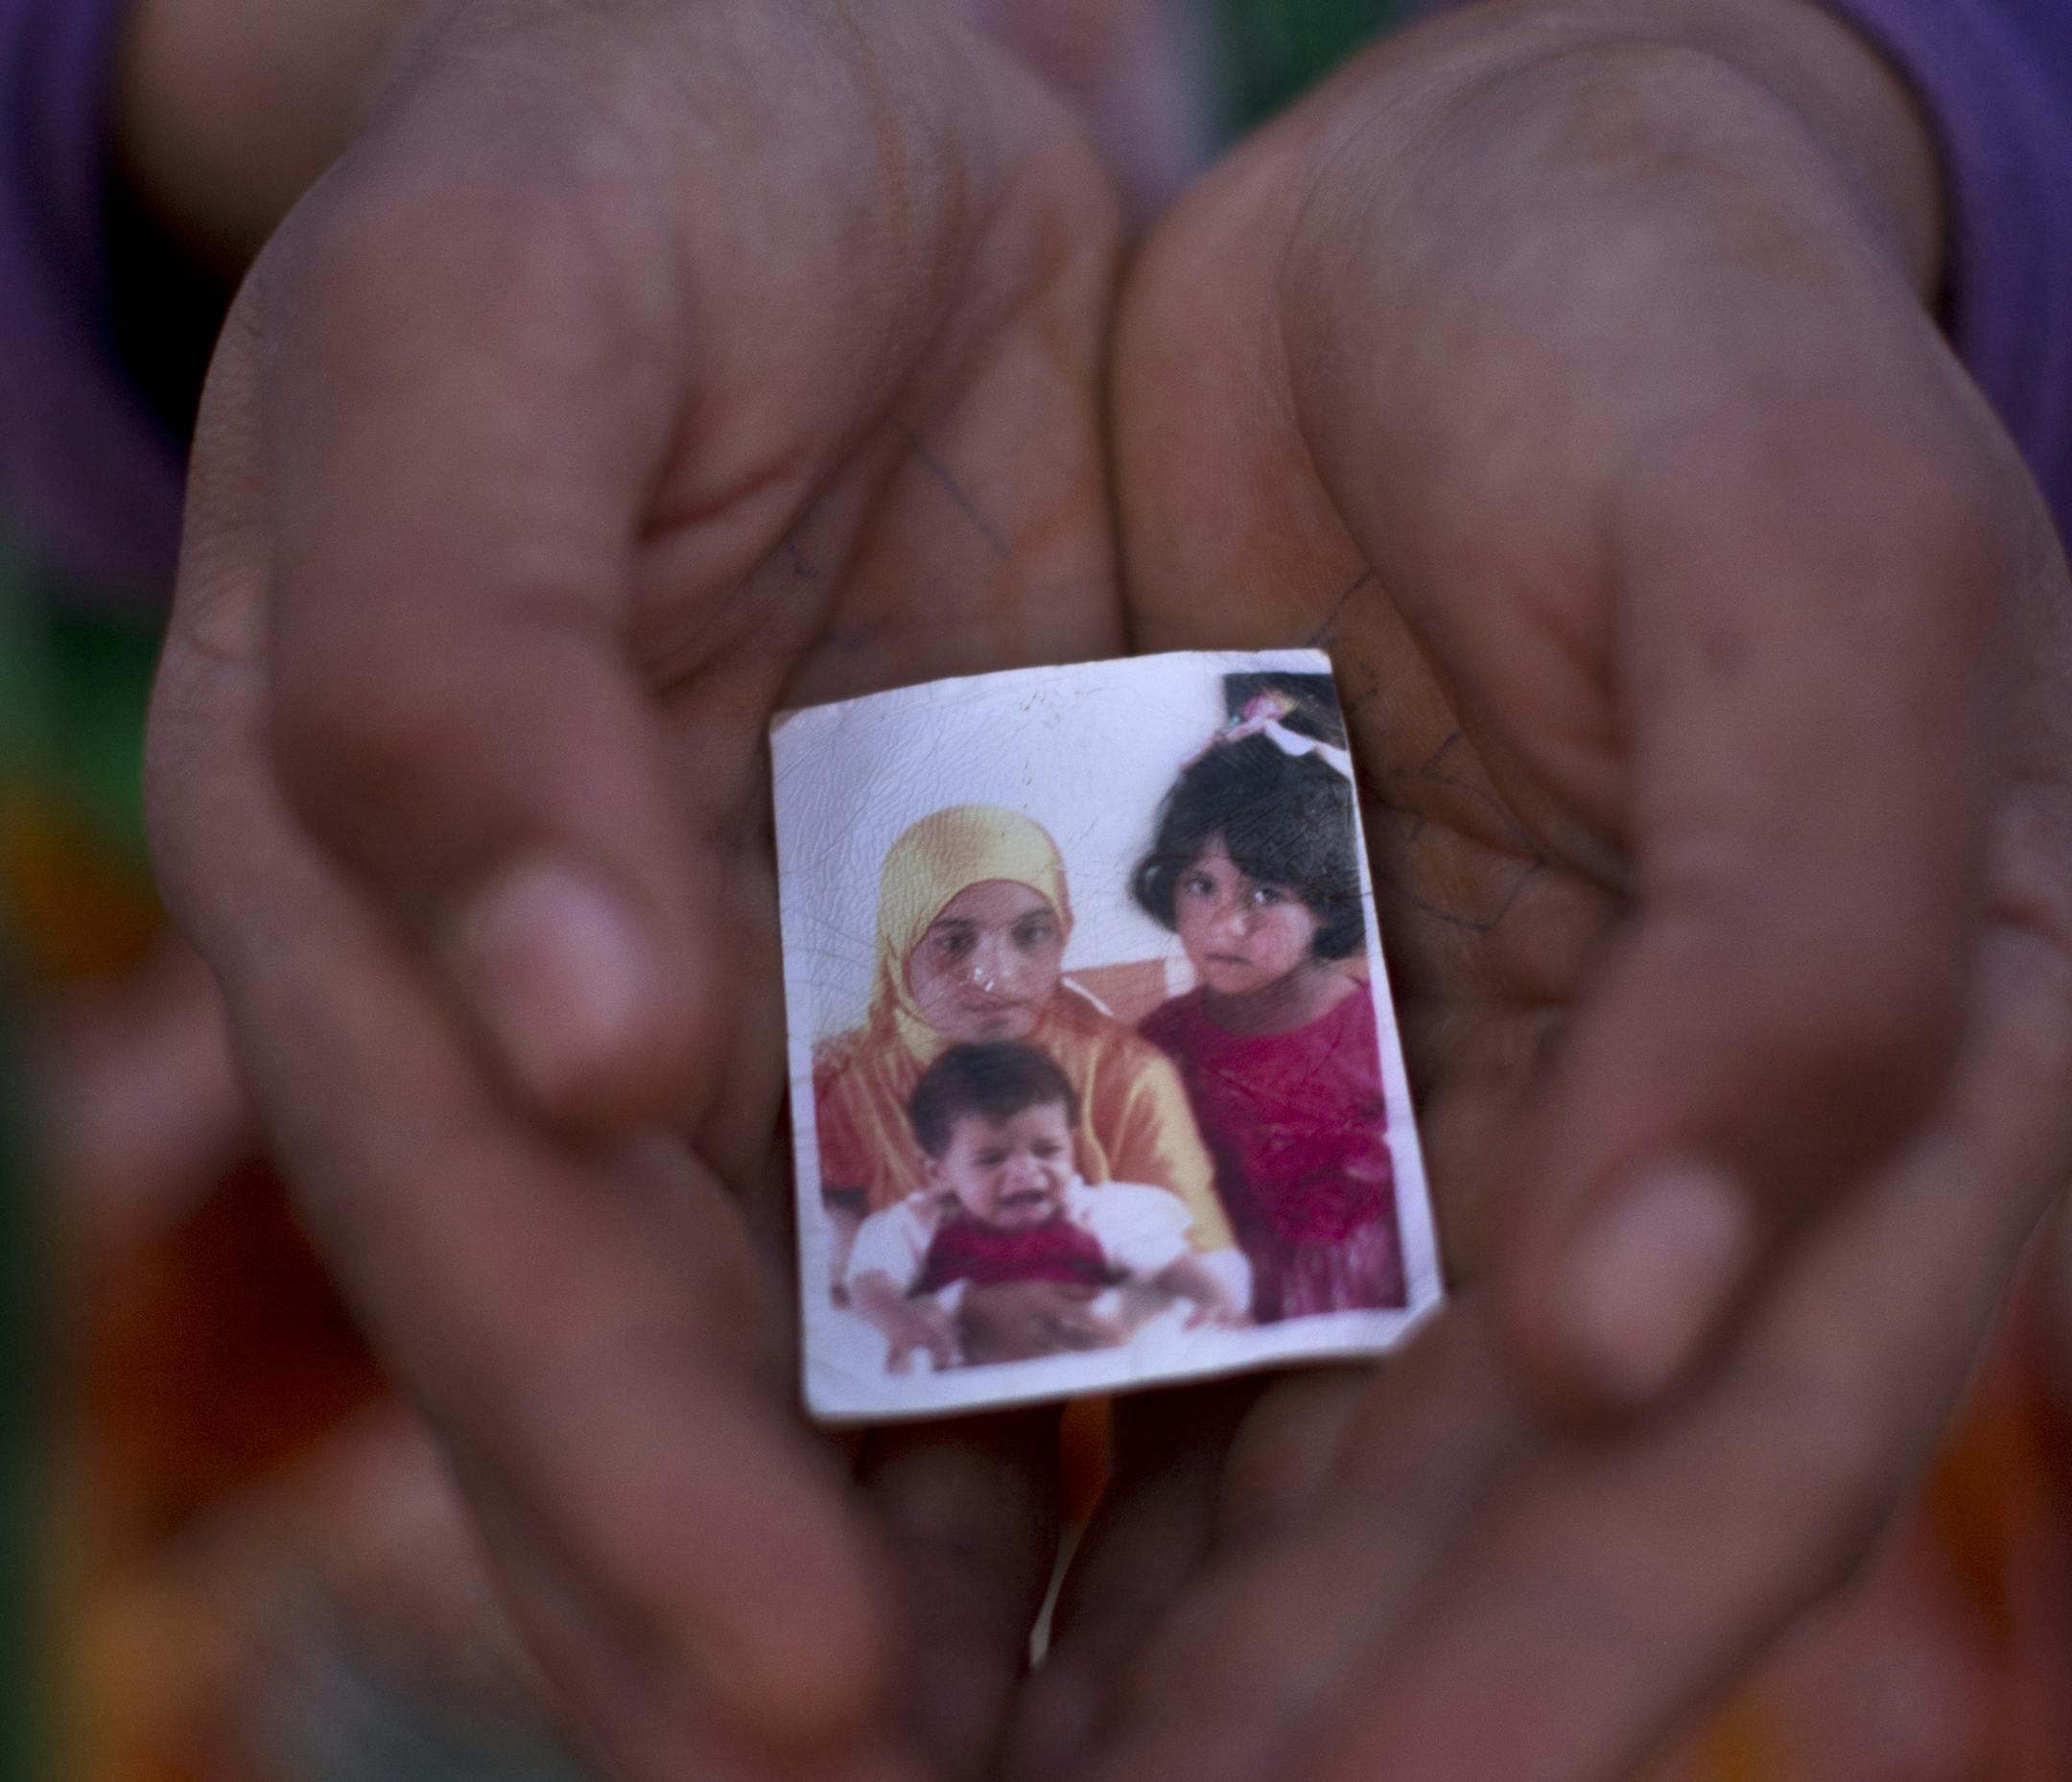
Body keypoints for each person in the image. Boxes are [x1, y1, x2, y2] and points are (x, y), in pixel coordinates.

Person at [5, 0, 2071, 1777]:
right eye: (974, 947)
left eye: (1046, 939)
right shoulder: (947, 1098)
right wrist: (310, 116)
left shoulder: (1154, 1063)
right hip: (457, 1145)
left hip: (1673, 978)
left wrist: (1856, 109)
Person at [813, 803, 1234, 1273]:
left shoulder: (1126, 1076)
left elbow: (1208, 1279)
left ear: (1063, 935)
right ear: (897, 945)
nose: (996, 976)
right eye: (953, 943)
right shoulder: (837, 1087)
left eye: (1032, 934)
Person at [1133, 705, 1403, 1319]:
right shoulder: (1155, 1049)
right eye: (1202, 885)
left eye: (1265, 894)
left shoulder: (1378, 1037)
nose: (1227, 924)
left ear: (1328, 908)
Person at [844, 1041, 1248, 1370]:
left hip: (1093, 1367)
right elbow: (870, 1284)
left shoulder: (1098, 1214)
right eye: (992, 1159)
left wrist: (1215, 1302)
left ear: (1071, 1144)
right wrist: (904, 1324)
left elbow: (1174, 1266)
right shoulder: (919, 1224)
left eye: (1047, 1150)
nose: (1025, 1172)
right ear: (938, 1173)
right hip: (975, 1381)